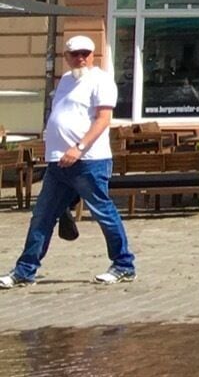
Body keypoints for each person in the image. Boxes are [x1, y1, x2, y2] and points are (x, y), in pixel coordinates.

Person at [6, 33, 134, 288]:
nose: (80, 58)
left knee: (103, 212)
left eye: (85, 53)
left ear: (92, 55)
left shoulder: (101, 80)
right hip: (58, 162)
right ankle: (24, 271)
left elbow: (103, 119)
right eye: (75, 54)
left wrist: (79, 147)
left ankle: (123, 265)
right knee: (41, 216)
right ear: (66, 57)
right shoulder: (64, 80)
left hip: (89, 160)